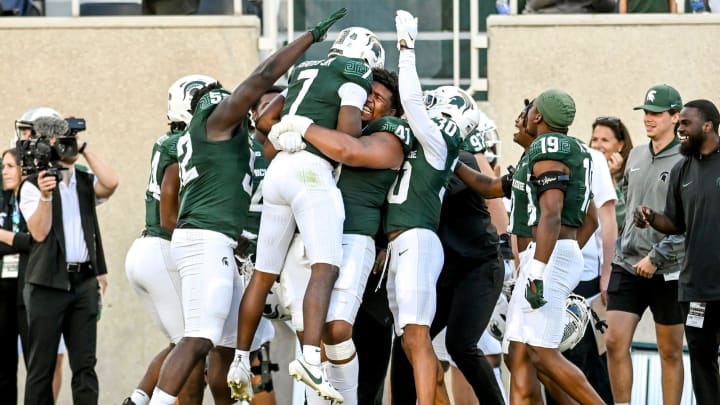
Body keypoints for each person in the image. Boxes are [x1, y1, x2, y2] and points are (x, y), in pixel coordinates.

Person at [147, 9, 348, 405]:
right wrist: (308, 41)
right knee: (197, 339)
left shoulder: (225, 139)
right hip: (205, 240)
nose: (233, 100)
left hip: (216, 242)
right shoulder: (215, 124)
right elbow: (260, 79)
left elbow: (268, 118)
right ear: (204, 108)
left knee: (219, 342)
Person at [228, 22, 384, 404]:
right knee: (325, 266)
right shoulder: (355, 71)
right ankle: (313, 359)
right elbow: (347, 135)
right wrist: (322, 130)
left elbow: (265, 121)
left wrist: (290, 129)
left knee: (264, 273)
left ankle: (239, 359)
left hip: (279, 170)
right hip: (310, 173)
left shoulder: (305, 67)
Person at [263, 67, 408, 405]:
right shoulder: (336, 122)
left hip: (358, 238)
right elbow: (268, 138)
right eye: (364, 92)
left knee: (338, 330)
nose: (368, 100)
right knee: (311, 338)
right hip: (311, 238)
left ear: (395, 110)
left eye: (378, 97)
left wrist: (303, 127)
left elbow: (351, 151)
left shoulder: (391, 132)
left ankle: (348, 400)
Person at [384, 10, 476, 404]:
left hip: (418, 241)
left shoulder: (439, 143)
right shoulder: (428, 146)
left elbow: (413, 101)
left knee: (417, 335)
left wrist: (407, 49)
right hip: (402, 244)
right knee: (409, 338)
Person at [123, 74, 216, 405]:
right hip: (163, 246)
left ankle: (138, 398)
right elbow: (168, 211)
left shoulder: (169, 141)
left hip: (149, 249)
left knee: (182, 344)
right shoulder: (183, 144)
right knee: (191, 345)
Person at [20, 115, 119, 405]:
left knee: (85, 366)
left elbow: (111, 182)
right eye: (57, 142)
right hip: (47, 284)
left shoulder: (85, 181)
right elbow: (39, 232)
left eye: (65, 140)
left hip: (83, 284)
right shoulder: (31, 185)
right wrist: (47, 196)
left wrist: (84, 148)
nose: (63, 146)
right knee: (42, 367)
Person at [633, 99, 720, 404]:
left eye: (686, 123)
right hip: (695, 286)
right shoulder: (683, 168)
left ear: (707, 126)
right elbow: (675, 222)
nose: (680, 129)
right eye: (679, 122)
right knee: (701, 358)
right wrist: (650, 216)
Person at [605, 84, 685, 405]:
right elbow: (626, 202)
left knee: (669, 351)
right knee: (614, 341)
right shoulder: (636, 154)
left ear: (676, 117)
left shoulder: (685, 160)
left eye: (656, 113)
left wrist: (657, 256)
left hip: (670, 270)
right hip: (628, 263)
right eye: (646, 113)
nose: (649, 119)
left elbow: (688, 223)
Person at [0, 148, 33, 404]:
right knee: (3, 367)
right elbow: (24, 242)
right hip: (3, 292)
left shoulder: (31, 198)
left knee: (36, 365)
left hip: (29, 291)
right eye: (3, 167)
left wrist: (3, 236)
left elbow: (36, 241)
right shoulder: (3, 200)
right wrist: (17, 242)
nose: (4, 172)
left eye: (10, 166)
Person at [590, 116, 634, 235]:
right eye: (594, 139)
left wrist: (609, 176)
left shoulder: (631, 175)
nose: (597, 145)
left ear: (620, 145)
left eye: (605, 140)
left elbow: (620, 219)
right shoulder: (585, 172)